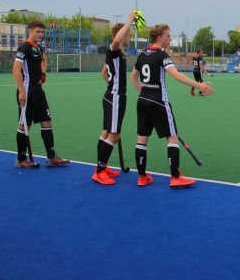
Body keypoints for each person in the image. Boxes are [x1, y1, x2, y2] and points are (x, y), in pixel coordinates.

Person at [130, 24, 214, 188]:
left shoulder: (142, 55)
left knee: (142, 139)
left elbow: (133, 78)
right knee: (172, 137)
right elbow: (176, 75)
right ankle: (175, 177)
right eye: (167, 36)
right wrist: (199, 85)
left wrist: (144, 93)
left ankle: (142, 177)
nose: (169, 39)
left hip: (143, 101)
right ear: (159, 37)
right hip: (159, 101)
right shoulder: (162, 55)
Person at [12, 20, 70, 168]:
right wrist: (22, 92)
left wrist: (43, 74)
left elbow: (44, 60)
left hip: (38, 91)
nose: (40, 34)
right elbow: (16, 70)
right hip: (27, 91)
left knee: (47, 122)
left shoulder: (38, 48)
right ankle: (21, 159)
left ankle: (51, 158)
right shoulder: (24, 48)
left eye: (42, 32)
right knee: (25, 125)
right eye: (38, 31)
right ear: (30, 31)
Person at [92, 11, 136, 185]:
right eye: (128, 35)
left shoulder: (118, 54)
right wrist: (130, 20)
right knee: (114, 135)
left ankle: (101, 166)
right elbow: (116, 41)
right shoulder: (114, 50)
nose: (129, 38)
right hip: (115, 96)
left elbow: (104, 73)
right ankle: (99, 171)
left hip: (113, 95)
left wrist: (112, 85)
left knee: (106, 132)